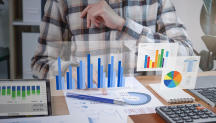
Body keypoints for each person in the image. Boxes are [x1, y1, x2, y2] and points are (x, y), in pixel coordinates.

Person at [31, 0, 193, 87]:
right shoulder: (63, 2)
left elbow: (184, 57)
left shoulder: (157, 1)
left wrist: (123, 26)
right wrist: (67, 70)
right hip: (84, 106)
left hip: (143, 110)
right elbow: (40, 63)